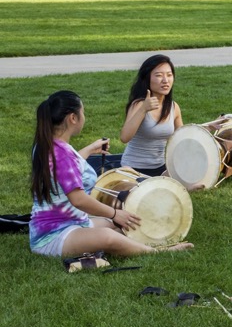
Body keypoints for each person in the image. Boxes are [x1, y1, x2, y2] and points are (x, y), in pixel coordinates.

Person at [30, 90, 194, 258]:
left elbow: (65, 168)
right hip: (54, 235)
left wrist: (91, 149)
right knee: (108, 237)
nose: (84, 117)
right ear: (73, 118)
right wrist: (115, 213)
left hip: (71, 223)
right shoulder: (61, 153)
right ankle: (157, 252)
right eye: (82, 112)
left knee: (119, 225)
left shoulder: (48, 144)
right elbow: (78, 200)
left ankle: (134, 241)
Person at [120, 55, 183, 177]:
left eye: (169, 75)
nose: (165, 80)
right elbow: (124, 137)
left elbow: (183, 137)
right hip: (134, 168)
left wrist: (207, 128)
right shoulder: (139, 105)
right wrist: (143, 109)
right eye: (159, 75)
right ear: (147, 79)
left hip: (160, 168)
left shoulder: (173, 107)